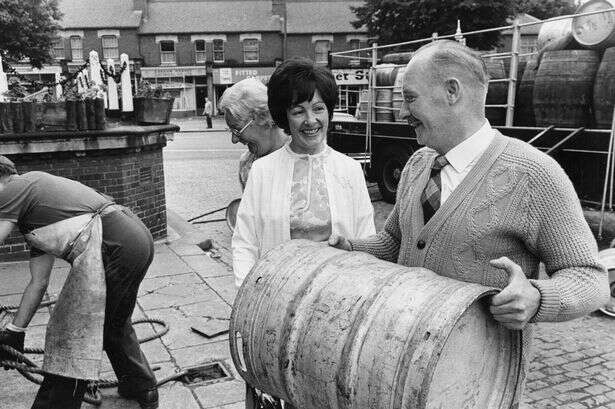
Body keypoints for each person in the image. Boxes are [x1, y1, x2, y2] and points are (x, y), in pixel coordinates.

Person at [329, 40, 609, 403]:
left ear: (451, 91)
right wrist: (349, 247)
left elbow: (589, 277)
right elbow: (395, 243)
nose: (402, 113)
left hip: (478, 383)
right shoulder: (417, 164)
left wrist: (538, 297)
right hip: (398, 365)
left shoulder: (534, 175)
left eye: (410, 98)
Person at [232, 58, 376, 409]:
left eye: (319, 108)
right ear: (284, 116)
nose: (311, 121)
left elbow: (367, 242)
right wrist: (252, 300)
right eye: (298, 111)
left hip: (335, 307)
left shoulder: (349, 171)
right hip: (276, 306)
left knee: (326, 390)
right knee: (277, 389)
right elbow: (246, 241)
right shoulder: (264, 172)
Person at [0, 157, 158, 409]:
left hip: (115, 244)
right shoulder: (34, 210)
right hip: (132, 238)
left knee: (75, 331)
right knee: (113, 322)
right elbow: (38, 284)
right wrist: (15, 331)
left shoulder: (14, 188)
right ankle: (141, 386)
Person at [218, 78, 289, 190]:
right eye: (231, 131)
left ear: (260, 117)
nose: (234, 140)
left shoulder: (303, 155)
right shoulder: (246, 164)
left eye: (237, 129)